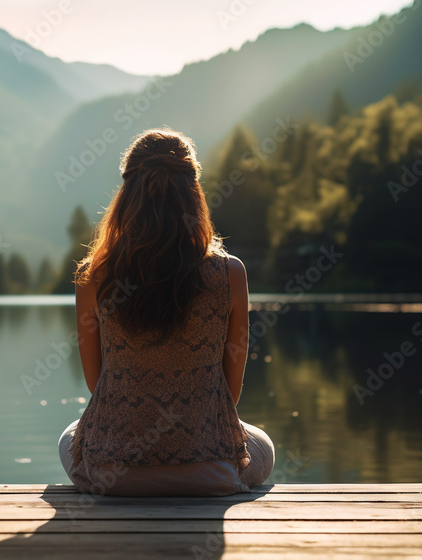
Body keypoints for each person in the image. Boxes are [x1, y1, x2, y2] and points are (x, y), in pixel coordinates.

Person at [57, 128, 275, 496]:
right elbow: (229, 394)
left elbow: (99, 386)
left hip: (113, 475)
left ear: (127, 196)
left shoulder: (94, 276)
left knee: (69, 436)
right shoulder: (230, 273)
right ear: (193, 196)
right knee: (263, 444)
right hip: (212, 473)